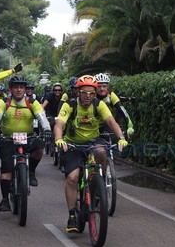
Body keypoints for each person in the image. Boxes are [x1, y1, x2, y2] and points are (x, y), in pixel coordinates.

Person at [54, 75, 128, 232]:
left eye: (91, 93)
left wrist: (121, 138)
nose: (88, 96)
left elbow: (111, 122)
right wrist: (59, 139)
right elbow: (59, 124)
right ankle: (72, 215)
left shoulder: (99, 105)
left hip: (93, 142)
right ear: (78, 92)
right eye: (84, 93)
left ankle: (97, 180)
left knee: (102, 151)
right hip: (72, 144)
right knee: (72, 178)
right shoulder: (70, 105)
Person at [0, 75, 52, 211]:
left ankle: (31, 172)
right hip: (8, 139)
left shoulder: (32, 102)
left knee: (40, 147)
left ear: (25, 89)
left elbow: (42, 116)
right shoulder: (3, 102)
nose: (19, 90)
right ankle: (5, 199)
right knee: (6, 172)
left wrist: (46, 129)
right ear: (10, 89)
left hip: (27, 138)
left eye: (21, 87)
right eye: (16, 87)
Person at [95, 72, 134, 138]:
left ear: (108, 87)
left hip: (106, 124)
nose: (102, 89)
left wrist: (130, 126)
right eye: (99, 86)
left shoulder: (111, 95)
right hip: (92, 126)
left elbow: (122, 110)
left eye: (104, 86)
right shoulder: (91, 96)